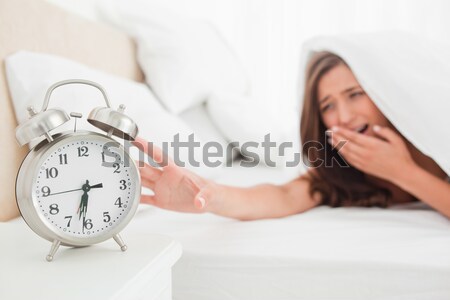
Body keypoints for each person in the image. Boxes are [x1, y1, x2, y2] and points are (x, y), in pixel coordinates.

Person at [133, 52, 450, 220]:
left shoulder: (436, 143)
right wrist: (211, 195)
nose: (343, 117)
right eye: (328, 105)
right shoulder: (338, 174)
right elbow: (281, 196)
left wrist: (402, 172)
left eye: (355, 94)